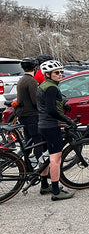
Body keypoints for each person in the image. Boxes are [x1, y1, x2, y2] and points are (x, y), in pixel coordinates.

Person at [36, 60, 75, 201]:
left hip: (42, 125)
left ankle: (44, 185)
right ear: (48, 74)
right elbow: (51, 110)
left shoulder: (43, 86)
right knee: (55, 159)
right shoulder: (52, 88)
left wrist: (62, 104)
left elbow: (46, 104)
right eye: (56, 73)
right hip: (51, 126)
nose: (60, 74)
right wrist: (66, 119)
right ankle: (56, 191)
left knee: (46, 156)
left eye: (61, 72)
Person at [16, 57, 47, 192]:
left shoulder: (21, 80)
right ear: (35, 68)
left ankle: (27, 167)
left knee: (28, 142)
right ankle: (41, 172)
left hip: (23, 115)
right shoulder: (31, 81)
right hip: (32, 115)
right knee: (38, 142)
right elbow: (36, 101)